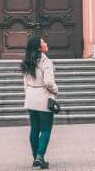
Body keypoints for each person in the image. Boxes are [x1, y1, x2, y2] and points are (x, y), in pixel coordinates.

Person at [21, 35, 58, 169]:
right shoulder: (45, 61)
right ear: (39, 47)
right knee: (46, 129)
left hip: (31, 97)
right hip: (43, 98)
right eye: (43, 42)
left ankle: (36, 157)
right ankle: (40, 157)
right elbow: (48, 82)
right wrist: (56, 90)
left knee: (34, 129)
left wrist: (29, 93)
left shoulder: (27, 61)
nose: (46, 43)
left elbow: (25, 83)